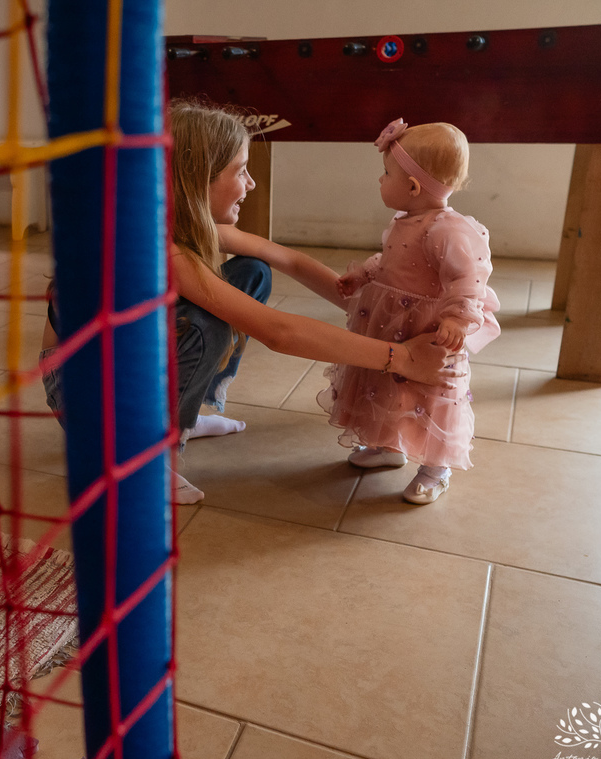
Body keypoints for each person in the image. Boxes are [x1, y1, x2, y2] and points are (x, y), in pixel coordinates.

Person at [40, 100, 462, 504]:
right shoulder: (157, 248)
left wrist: (375, 311)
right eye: (241, 171)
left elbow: (286, 258)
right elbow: (279, 332)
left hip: (114, 367)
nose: (251, 183)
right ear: (196, 179)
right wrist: (401, 357)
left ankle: (180, 415)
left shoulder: (172, 218)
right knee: (204, 324)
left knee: (252, 272)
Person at [317, 119, 500, 504]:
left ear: (413, 187)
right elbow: (391, 261)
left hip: (425, 331)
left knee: (428, 394)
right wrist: (364, 274)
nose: (380, 180)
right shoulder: (405, 220)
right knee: (386, 386)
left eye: (387, 174)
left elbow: (469, 278)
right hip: (389, 324)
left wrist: (457, 319)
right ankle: (388, 446)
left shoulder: (449, 230)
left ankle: (436, 467)